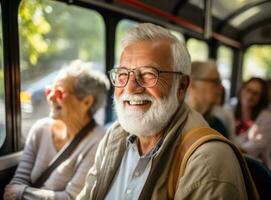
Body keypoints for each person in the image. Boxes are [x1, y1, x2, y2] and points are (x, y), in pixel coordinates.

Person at [77, 23, 251, 200]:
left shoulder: (207, 161)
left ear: (182, 86)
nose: (130, 87)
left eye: (147, 74)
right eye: (123, 74)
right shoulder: (115, 136)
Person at [4, 61, 110, 200]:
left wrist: (21, 193)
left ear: (86, 102)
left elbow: (71, 197)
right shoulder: (40, 129)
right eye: (49, 90)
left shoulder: (99, 141)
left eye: (59, 92)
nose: (50, 97)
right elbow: (17, 182)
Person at [232, 77, 271, 171]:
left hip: (256, 168)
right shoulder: (229, 110)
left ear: (261, 98)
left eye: (255, 93)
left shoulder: (268, 118)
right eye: (248, 90)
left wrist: (230, 147)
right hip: (231, 162)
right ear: (242, 90)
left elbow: (255, 147)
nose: (250, 95)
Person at [186, 60, 234, 138]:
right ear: (191, 84)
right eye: (215, 81)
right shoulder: (177, 122)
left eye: (220, 81)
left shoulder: (217, 124)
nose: (221, 87)